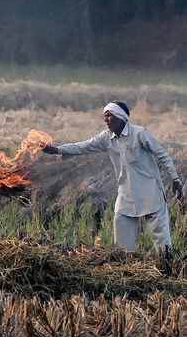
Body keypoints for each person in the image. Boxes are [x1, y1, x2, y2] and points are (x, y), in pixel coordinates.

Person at [41, 101, 183, 262]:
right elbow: (82, 147)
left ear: (121, 117)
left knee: (161, 239)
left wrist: (175, 180)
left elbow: (163, 155)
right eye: (105, 116)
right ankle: (127, 272)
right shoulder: (106, 138)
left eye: (109, 115)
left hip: (150, 193)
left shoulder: (139, 133)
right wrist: (56, 149)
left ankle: (168, 271)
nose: (106, 119)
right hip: (126, 195)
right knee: (122, 238)